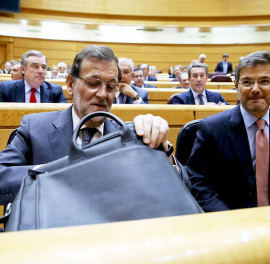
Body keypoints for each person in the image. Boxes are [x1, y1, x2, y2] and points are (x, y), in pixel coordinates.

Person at [0, 45, 179, 205]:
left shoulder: (129, 135)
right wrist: (52, 174)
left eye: (111, 87)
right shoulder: (35, 127)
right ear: (71, 84)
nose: (102, 94)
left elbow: (181, 186)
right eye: (93, 83)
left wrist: (164, 151)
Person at [188, 50, 270, 212]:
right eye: (247, 82)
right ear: (236, 86)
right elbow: (198, 181)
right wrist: (227, 219)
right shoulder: (212, 128)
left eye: (264, 81)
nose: (255, 89)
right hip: (232, 220)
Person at [0, 50, 67, 103]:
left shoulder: (56, 91)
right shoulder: (6, 89)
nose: (41, 71)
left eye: (43, 67)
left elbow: (65, 118)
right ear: (23, 69)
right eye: (35, 66)